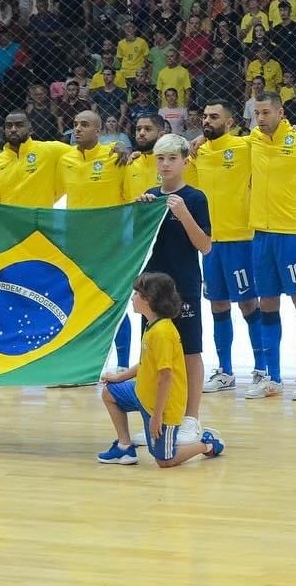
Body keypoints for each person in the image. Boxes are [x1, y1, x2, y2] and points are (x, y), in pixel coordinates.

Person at [246, 93, 296, 399]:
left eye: (266, 112)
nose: (260, 118)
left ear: (281, 113)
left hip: (292, 234)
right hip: (261, 235)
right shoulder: (252, 140)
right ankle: (273, 378)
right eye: (257, 112)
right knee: (267, 304)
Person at [96, 273, 224, 467]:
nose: (132, 298)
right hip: (143, 395)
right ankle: (124, 447)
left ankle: (206, 444)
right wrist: (119, 377)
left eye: (136, 294)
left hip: (163, 408)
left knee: (165, 460)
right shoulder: (152, 326)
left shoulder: (163, 333)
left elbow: (166, 378)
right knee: (109, 393)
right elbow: (146, 364)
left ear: (148, 300)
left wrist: (156, 418)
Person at [136, 134, 213, 443]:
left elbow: (205, 246)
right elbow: (136, 246)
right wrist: (139, 214)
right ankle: (154, 419)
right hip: (151, 289)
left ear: (185, 161)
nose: (165, 164)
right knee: (152, 352)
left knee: (190, 351)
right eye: (160, 158)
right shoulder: (149, 197)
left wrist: (183, 215)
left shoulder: (195, 198)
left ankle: (191, 418)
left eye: (171, 158)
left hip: (185, 285)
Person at [190, 102, 269, 399]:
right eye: (205, 116)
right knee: (218, 305)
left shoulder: (244, 145)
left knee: (249, 304)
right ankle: (225, 371)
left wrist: (295, 129)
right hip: (211, 242)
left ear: (231, 121)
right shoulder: (198, 153)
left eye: (214, 117)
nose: (207, 121)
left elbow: (272, 135)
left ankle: (262, 369)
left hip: (241, 239)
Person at [60, 110, 133, 367]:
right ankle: (82, 364)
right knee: (79, 305)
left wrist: (123, 146)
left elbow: (132, 195)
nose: (77, 129)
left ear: (99, 131)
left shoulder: (115, 156)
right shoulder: (64, 158)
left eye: (85, 125)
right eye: (75, 124)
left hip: (110, 245)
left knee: (114, 302)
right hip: (75, 246)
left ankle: (122, 364)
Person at [0, 110, 72, 205]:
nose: (13, 129)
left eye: (19, 125)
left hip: (39, 219)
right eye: (9, 126)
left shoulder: (50, 150)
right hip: (8, 219)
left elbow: (82, 155)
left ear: (31, 130)